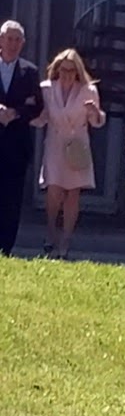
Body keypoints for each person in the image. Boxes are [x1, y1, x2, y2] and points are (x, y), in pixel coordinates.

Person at [38, 47, 105, 257]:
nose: (67, 74)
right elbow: (40, 117)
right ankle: (50, 233)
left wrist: (95, 112)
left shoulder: (88, 90)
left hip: (77, 145)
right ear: (57, 69)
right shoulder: (46, 89)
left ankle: (65, 241)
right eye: (64, 69)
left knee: (73, 193)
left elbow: (97, 121)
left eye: (71, 70)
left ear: (78, 71)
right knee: (54, 190)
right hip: (55, 143)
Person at [0, 19, 43, 258]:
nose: (13, 43)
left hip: (16, 146)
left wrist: (15, 113)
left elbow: (36, 106)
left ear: (23, 43)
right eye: (9, 38)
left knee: (11, 200)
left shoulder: (30, 71)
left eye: (18, 40)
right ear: (1, 40)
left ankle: (5, 248)